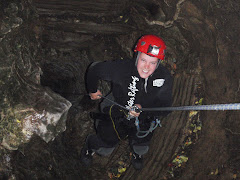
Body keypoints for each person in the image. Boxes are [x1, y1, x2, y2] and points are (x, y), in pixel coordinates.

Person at [80, 34, 173, 170]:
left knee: (141, 144)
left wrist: (143, 108)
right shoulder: (122, 68)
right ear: (137, 56)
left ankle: (137, 154)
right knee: (105, 146)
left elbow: (165, 107)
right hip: (117, 109)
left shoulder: (163, 77)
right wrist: (92, 90)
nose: (147, 67)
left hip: (144, 117)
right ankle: (90, 146)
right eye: (143, 60)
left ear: (158, 63)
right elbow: (94, 69)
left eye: (152, 62)